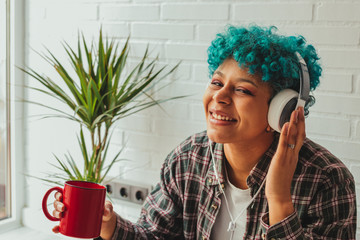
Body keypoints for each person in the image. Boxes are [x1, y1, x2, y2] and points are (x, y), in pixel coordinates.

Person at [52, 25, 356, 239]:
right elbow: (155, 236)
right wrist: (108, 225)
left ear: (281, 112)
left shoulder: (326, 179)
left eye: (242, 90)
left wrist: (278, 199)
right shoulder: (188, 158)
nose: (219, 97)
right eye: (216, 82)